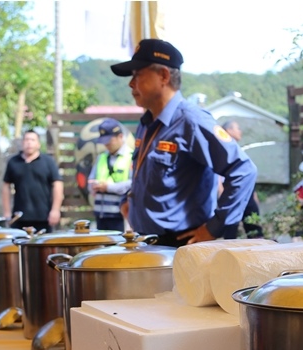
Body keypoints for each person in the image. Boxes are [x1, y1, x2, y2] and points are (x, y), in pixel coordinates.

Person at [110, 39, 257, 247]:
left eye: (138, 74)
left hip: (181, 246)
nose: (131, 84)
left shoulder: (192, 121)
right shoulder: (147, 124)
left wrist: (214, 227)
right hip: (147, 243)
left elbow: (244, 170)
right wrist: (128, 200)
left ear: (163, 76)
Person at [2, 129, 64, 232]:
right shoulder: (13, 162)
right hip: (19, 217)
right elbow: (6, 186)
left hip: (44, 217)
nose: (29, 142)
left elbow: (58, 184)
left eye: (32, 140)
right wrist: (7, 212)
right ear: (22, 143)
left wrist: (55, 210)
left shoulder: (48, 162)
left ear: (38, 144)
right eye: (26, 140)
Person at [86, 118, 132, 232]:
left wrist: (108, 187)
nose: (106, 144)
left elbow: (133, 183)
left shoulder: (131, 157)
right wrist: (93, 185)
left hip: (121, 215)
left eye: (109, 140)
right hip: (101, 214)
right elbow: (91, 180)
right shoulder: (101, 157)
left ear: (120, 136)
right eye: (104, 141)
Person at [222, 120, 262, 238]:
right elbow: (218, 180)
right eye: (237, 128)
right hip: (231, 194)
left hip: (246, 194)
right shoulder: (221, 151)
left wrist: (253, 195)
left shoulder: (238, 150)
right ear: (229, 130)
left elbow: (247, 174)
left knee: (254, 228)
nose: (240, 131)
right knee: (230, 231)